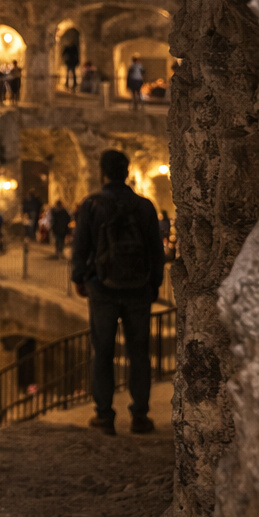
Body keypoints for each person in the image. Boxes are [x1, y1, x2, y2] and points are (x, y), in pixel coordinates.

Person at [71, 149, 166, 435]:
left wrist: (80, 279)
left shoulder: (92, 205)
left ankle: (104, 415)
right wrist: (154, 284)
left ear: (103, 172)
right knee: (139, 352)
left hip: (102, 288)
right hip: (139, 289)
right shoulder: (145, 206)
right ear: (126, 172)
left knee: (103, 352)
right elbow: (156, 250)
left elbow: (81, 247)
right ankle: (140, 416)